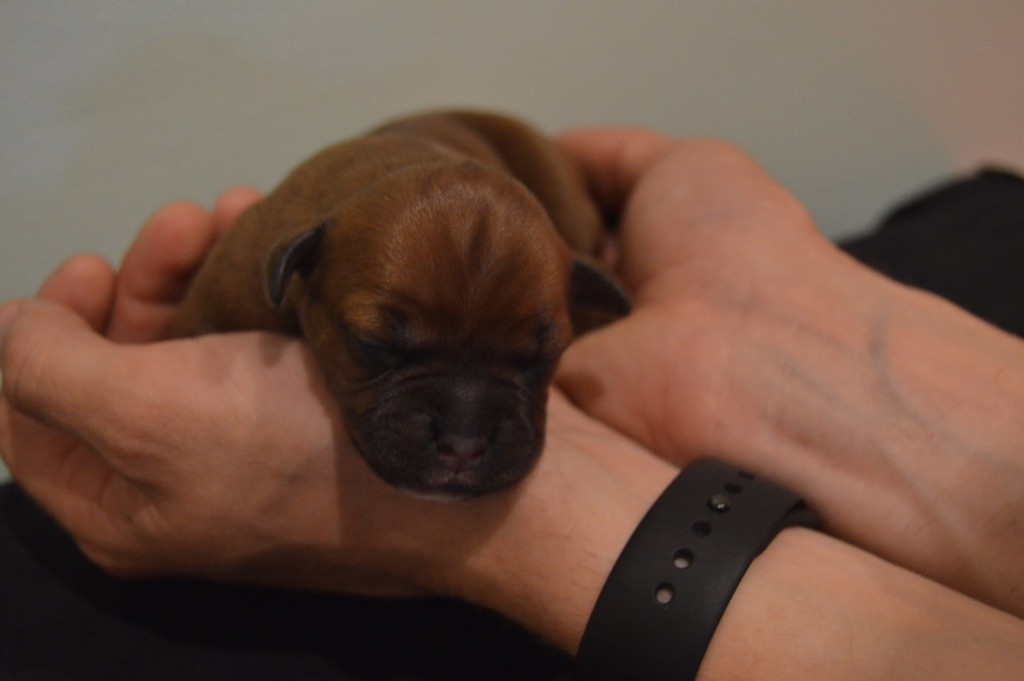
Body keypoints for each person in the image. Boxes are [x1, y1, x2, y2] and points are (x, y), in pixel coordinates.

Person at [1, 127, 1022, 679]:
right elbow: (200, 330)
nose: (462, 433)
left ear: (582, 295)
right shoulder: (264, 251)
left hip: (512, 156)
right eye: (385, 347)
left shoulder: (544, 224)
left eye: (529, 363)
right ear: (292, 274)